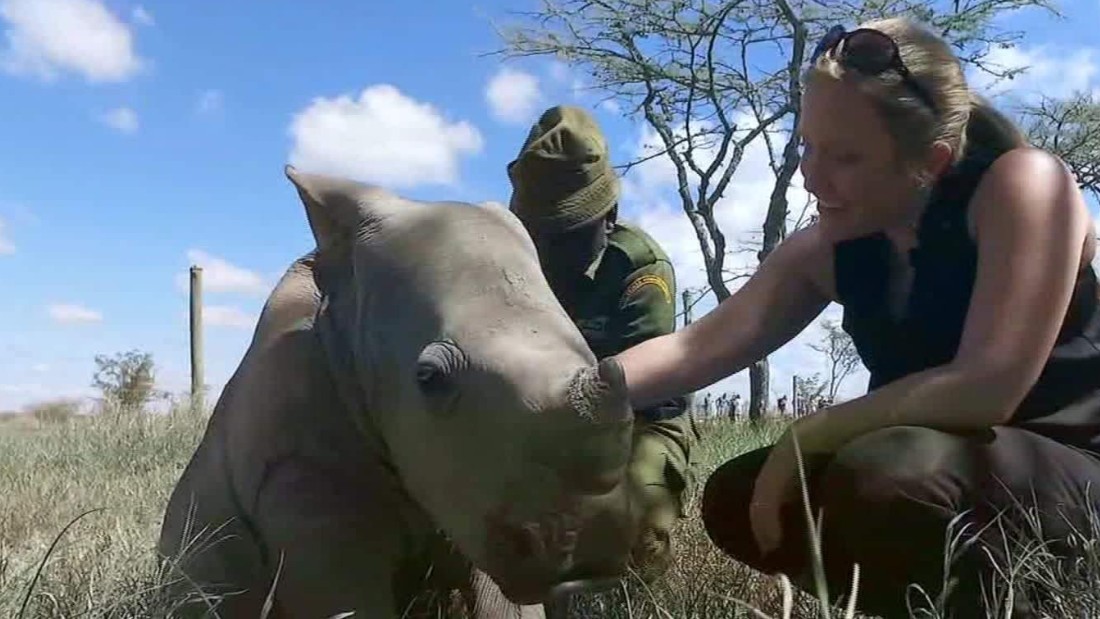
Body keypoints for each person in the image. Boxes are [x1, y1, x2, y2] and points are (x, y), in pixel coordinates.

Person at [601, 15, 1100, 618]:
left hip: (1073, 474)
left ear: (933, 162)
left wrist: (803, 437)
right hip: (936, 474)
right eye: (806, 146)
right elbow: (691, 352)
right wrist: (573, 393)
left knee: (885, 473)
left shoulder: (1024, 184)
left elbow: (985, 387)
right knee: (738, 498)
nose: (811, 174)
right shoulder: (829, 250)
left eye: (846, 157)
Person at [506, 104, 699, 588]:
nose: (547, 253)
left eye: (566, 234)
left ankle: (634, 595)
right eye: (537, 233)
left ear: (609, 217)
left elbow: (655, 391)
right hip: (529, 427)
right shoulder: (506, 262)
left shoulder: (638, 269)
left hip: (637, 424)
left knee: (630, 516)